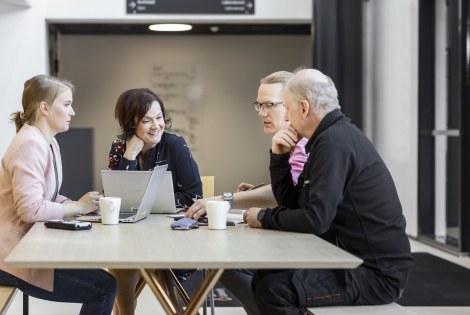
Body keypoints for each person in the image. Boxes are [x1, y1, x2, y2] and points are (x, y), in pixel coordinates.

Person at [243, 69, 414, 315]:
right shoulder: (327, 139)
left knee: (274, 290)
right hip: (350, 261)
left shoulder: (334, 143)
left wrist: (264, 217)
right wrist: (279, 158)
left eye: (288, 109)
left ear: (303, 108)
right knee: (263, 278)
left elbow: (315, 219)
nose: (288, 119)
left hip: (375, 274)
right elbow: (293, 206)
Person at [185, 71, 308, 315]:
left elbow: (280, 195)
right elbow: (288, 192)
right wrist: (252, 193)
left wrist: (227, 199)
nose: (262, 113)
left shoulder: (302, 145)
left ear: (294, 106)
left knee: (226, 264)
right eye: (259, 105)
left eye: (269, 105)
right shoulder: (293, 141)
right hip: (297, 242)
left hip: (309, 250)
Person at [0, 75, 117, 315]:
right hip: (12, 257)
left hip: (28, 247)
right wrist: (78, 208)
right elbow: (31, 209)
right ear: (44, 108)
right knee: (104, 286)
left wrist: (81, 205)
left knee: (103, 279)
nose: (72, 111)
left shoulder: (48, 142)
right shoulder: (29, 144)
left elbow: (48, 196)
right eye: (66, 104)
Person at [107, 88, 203, 315]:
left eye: (159, 118)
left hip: (173, 236)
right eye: (147, 120)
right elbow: (114, 198)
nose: (156, 125)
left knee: (155, 262)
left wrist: (145, 202)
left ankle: (177, 310)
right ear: (131, 124)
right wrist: (130, 156)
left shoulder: (175, 144)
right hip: (132, 237)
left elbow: (194, 195)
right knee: (120, 257)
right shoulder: (120, 147)